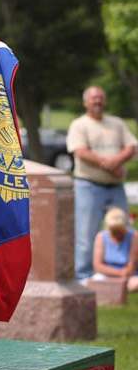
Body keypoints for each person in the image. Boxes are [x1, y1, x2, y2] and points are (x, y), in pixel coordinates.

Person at [67, 86, 137, 281]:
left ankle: (126, 272)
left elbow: (131, 146)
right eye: (93, 98)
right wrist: (111, 165)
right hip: (88, 186)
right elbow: (80, 152)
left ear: (104, 101)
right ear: (85, 102)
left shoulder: (117, 123)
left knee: (124, 228)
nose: (97, 101)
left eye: (100, 98)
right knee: (85, 233)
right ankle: (84, 276)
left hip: (115, 187)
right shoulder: (79, 125)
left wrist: (116, 162)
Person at [91, 207, 138, 291]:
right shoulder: (101, 237)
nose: (117, 234)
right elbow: (97, 266)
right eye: (114, 231)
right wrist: (119, 273)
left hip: (129, 275)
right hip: (107, 274)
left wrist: (124, 274)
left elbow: (131, 267)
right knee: (93, 281)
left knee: (135, 284)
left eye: (119, 231)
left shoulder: (134, 236)